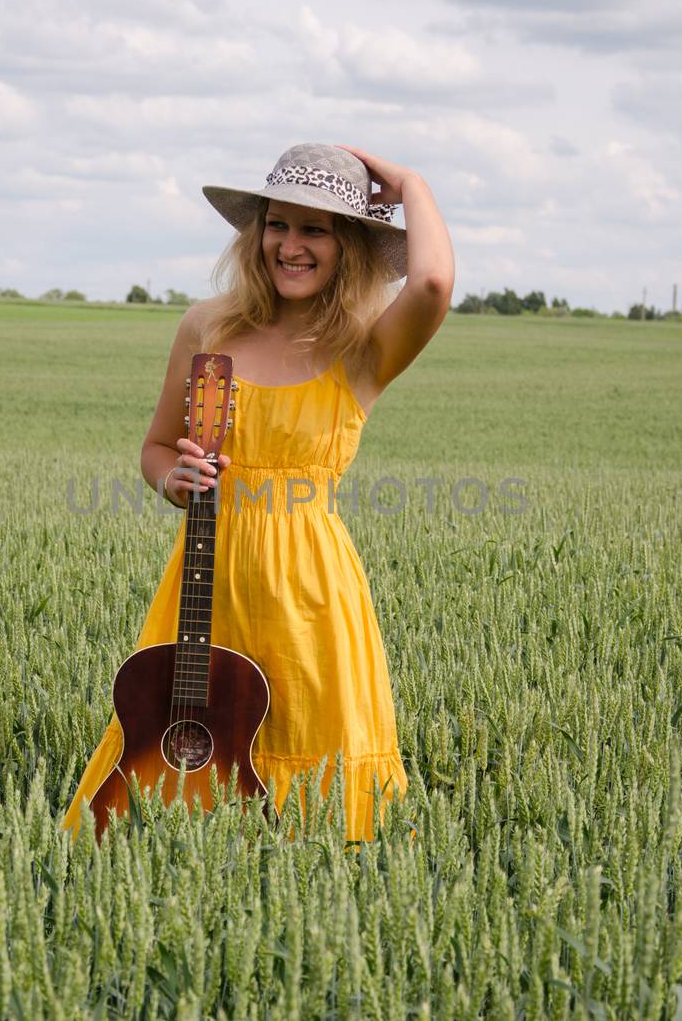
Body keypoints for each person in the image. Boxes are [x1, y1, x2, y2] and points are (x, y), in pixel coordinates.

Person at [60, 142, 454, 841]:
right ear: (255, 232)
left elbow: (428, 285)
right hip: (204, 584)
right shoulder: (208, 326)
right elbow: (155, 449)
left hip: (310, 596)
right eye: (278, 224)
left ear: (350, 245)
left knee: (318, 778)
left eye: (316, 229)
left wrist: (410, 182)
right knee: (179, 760)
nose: (290, 246)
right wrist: (171, 480)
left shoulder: (363, 346)